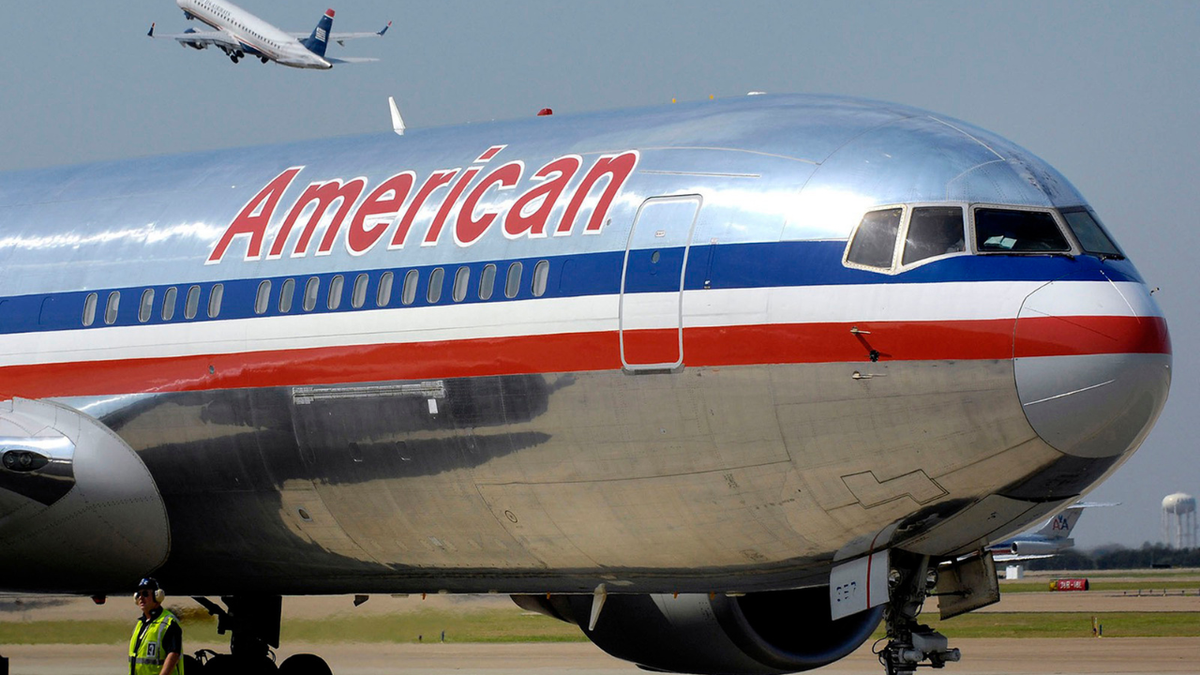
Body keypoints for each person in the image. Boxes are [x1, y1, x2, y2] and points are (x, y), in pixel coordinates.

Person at [129, 577, 183, 675]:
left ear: (157, 596)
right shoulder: (140, 624)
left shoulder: (168, 623)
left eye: (145, 594)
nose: (141, 597)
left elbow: (173, 654)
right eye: (139, 594)